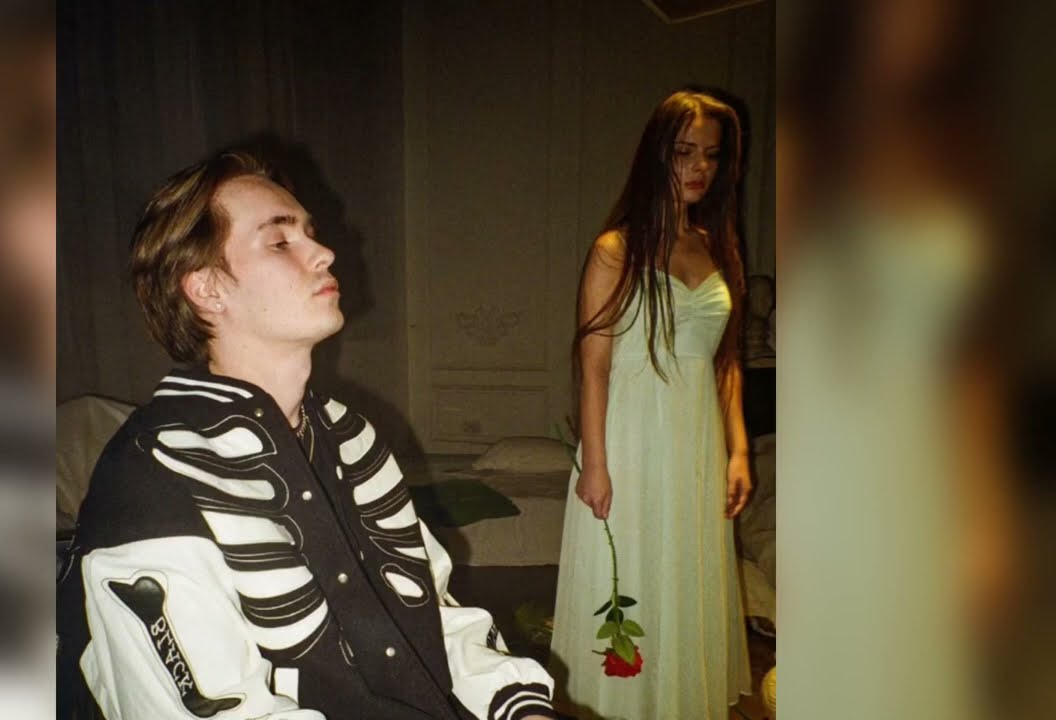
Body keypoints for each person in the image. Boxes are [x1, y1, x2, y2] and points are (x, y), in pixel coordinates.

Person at [56, 149, 557, 720]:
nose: (324, 253)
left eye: (310, 234)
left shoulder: (352, 436)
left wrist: (520, 705)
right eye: (280, 241)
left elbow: (432, 614)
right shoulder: (152, 476)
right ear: (208, 289)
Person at [547, 90, 753, 719]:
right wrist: (596, 464)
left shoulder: (717, 246)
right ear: (656, 154)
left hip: (697, 443)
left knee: (685, 574)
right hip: (630, 439)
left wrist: (740, 450)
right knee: (632, 572)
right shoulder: (616, 249)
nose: (700, 167)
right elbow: (595, 364)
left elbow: (724, 361)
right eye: (685, 151)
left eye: (711, 155)